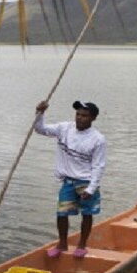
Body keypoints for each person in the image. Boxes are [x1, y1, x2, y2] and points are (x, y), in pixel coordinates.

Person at [34, 99, 107, 258]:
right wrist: (40, 112)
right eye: (78, 114)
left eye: (84, 115)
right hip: (68, 180)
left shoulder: (98, 139)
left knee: (87, 213)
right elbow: (40, 129)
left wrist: (91, 188)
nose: (79, 118)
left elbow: (99, 166)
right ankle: (62, 244)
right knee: (62, 213)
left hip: (86, 181)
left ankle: (82, 245)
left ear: (93, 118)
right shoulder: (64, 128)